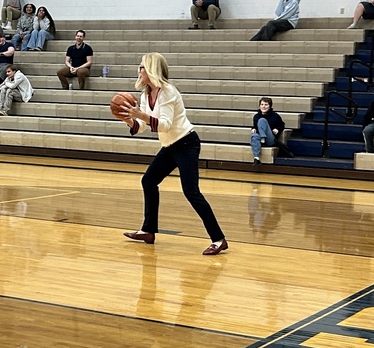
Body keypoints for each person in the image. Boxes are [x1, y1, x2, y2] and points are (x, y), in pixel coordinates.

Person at [115, 52, 228, 255]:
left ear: (151, 69)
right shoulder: (145, 94)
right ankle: (148, 230)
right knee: (148, 181)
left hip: (186, 143)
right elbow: (141, 127)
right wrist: (129, 119)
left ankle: (218, 239)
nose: (138, 70)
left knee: (191, 191)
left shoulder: (168, 91)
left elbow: (165, 125)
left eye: (142, 66)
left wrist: (141, 115)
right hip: (170, 146)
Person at [250, 96, 285, 165]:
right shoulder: (256, 116)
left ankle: (263, 138)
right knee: (254, 135)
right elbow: (255, 126)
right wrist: (253, 128)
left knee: (262, 120)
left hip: (270, 139)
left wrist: (278, 129)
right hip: (259, 136)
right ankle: (256, 158)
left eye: (266, 105)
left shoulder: (275, 116)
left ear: (269, 106)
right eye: (262, 104)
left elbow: (282, 125)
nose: (263, 107)